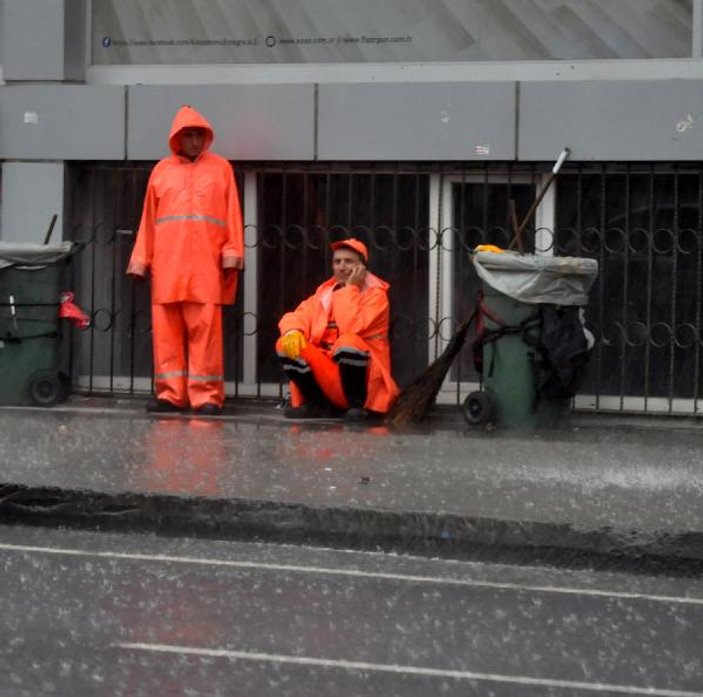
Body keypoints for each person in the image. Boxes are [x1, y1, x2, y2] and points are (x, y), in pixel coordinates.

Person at [127, 104, 244, 415]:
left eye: (198, 135)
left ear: (205, 138)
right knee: (166, 335)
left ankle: (206, 396)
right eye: (188, 135)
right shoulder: (161, 171)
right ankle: (170, 394)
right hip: (168, 268)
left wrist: (232, 255)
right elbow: (148, 221)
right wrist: (140, 261)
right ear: (176, 138)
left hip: (205, 268)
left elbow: (232, 214)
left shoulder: (221, 169)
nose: (193, 140)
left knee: (205, 333)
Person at [276, 238, 399, 421]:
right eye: (337, 261)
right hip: (329, 373)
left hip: (364, 384)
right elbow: (298, 315)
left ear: (362, 267)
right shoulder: (324, 293)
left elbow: (352, 327)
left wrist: (350, 288)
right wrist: (293, 330)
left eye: (348, 261)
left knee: (348, 342)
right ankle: (318, 406)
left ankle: (356, 408)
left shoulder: (376, 296)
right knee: (285, 343)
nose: (341, 267)